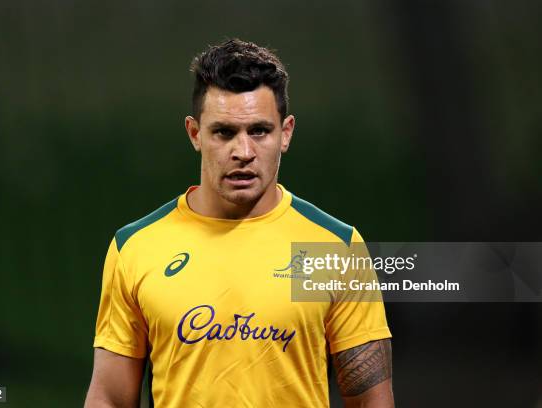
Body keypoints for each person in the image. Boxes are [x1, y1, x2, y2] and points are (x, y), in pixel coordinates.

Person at [84, 38, 393, 408]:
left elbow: (372, 402)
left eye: (259, 131)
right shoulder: (135, 248)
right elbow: (110, 398)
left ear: (286, 133)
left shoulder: (336, 248)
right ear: (195, 133)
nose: (243, 152)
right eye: (224, 132)